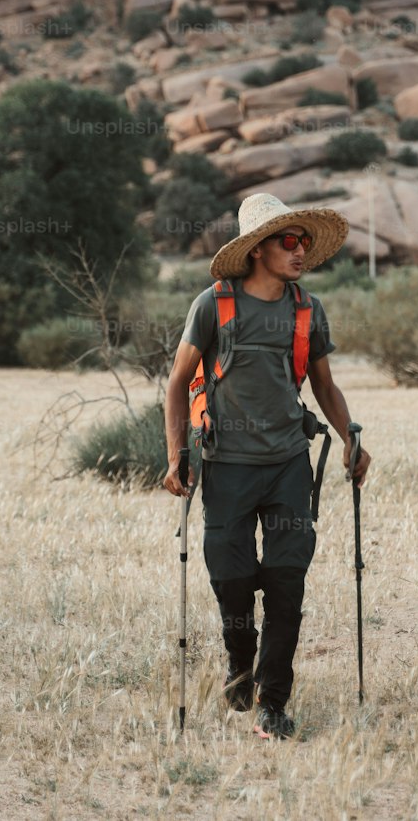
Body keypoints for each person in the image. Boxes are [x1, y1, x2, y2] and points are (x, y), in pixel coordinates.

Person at [164, 192, 371, 739]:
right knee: (231, 582)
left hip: (287, 466)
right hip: (226, 466)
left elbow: (323, 384)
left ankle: (272, 701)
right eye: (288, 240)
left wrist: (351, 437)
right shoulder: (214, 304)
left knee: (286, 584)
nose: (299, 249)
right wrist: (175, 456)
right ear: (258, 249)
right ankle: (241, 662)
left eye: (303, 240)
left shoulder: (306, 308)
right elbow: (176, 386)